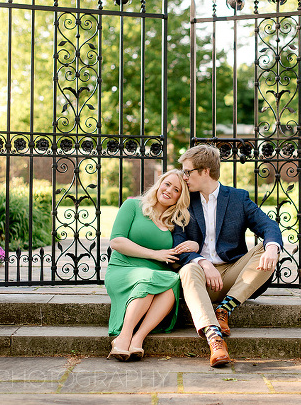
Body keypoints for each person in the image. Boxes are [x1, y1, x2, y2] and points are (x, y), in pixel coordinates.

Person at [172, 144, 282, 367]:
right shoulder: (184, 200)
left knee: (267, 248)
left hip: (232, 276)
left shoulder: (237, 198)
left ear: (205, 172)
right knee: (189, 267)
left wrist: (272, 247)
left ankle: (224, 309)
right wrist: (203, 261)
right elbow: (177, 242)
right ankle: (214, 339)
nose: (184, 177)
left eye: (187, 171)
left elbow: (268, 225)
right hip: (199, 278)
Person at [105, 169, 198, 361]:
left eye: (176, 190)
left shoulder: (175, 221)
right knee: (149, 279)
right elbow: (116, 241)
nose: (169, 191)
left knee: (173, 280)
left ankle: (138, 338)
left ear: (180, 197)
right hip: (124, 269)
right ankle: (124, 336)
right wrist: (155, 254)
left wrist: (194, 244)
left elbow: (191, 243)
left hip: (158, 274)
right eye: (167, 184)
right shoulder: (132, 205)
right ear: (159, 183)